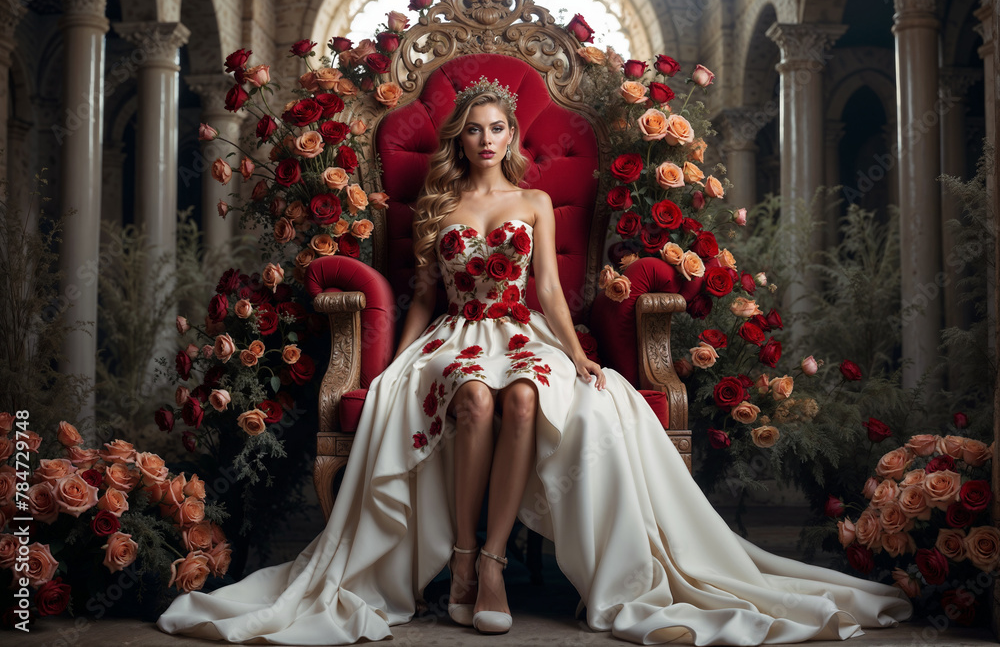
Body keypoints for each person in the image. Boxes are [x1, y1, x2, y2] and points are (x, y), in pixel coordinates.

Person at [157, 77, 912, 645]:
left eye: (497, 129)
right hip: (455, 337)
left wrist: (580, 354)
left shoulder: (535, 204)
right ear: (459, 139)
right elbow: (422, 291)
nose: (486, 140)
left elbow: (549, 288)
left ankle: (489, 564)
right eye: (475, 131)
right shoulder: (438, 208)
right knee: (477, 400)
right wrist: (393, 362)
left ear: (510, 134)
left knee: (523, 397)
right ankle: (455, 560)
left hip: (524, 333)